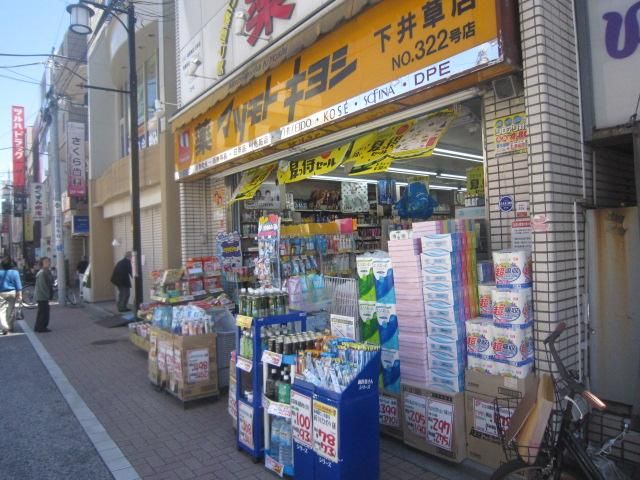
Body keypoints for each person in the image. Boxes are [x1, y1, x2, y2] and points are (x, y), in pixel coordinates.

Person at [0, 256, 22, 335]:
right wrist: (20, 294)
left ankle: (4, 326)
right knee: (11, 309)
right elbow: (18, 284)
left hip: (1, 293)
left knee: (1, 310)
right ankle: (10, 326)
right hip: (12, 293)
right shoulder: (15, 272)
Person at [34, 257, 54, 333]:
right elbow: (43, 286)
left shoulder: (47, 271)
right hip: (42, 295)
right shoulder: (42, 272)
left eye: (48, 261)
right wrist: (47, 296)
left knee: (41, 311)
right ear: (42, 263)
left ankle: (38, 326)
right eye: (45, 262)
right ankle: (41, 327)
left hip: (42, 295)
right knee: (44, 312)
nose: (48, 263)